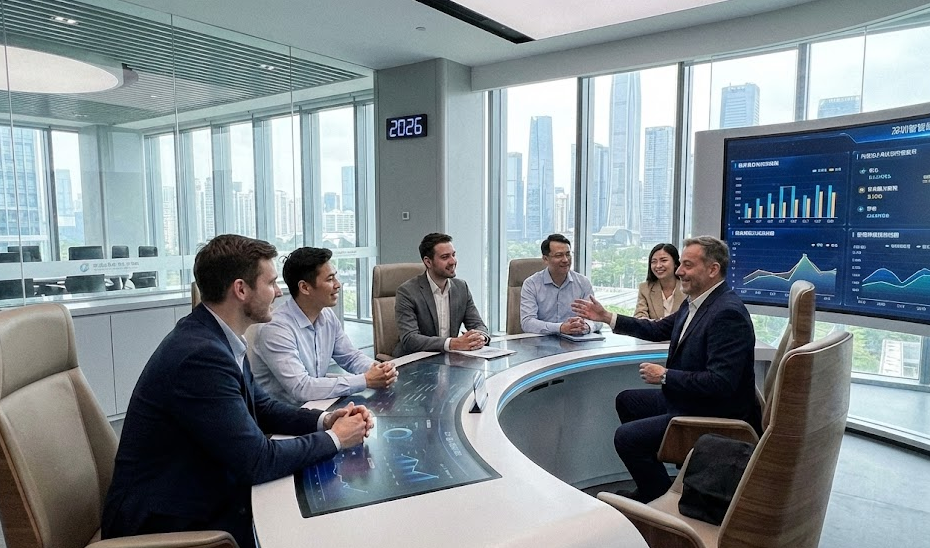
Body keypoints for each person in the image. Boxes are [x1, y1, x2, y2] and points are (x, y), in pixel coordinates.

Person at [101, 235, 373, 548]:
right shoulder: (200, 356)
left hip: (202, 494)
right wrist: (337, 438)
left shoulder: (217, 337)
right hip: (171, 522)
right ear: (241, 289)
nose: (279, 292)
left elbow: (264, 408)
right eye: (270, 283)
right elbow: (258, 461)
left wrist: (325, 420)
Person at [571, 236, 759, 503]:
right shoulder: (697, 302)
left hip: (712, 412)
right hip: (691, 400)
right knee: (628, 401)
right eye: (680, 264)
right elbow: (658, 328)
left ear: (713, 269)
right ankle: (652, 485)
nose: (679, 271)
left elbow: (721, 383)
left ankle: (658, 502)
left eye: (688, 265)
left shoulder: (726, 314)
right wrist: (607, 317)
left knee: (627, 439)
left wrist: (666, 375)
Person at [251, 247, 398, 403]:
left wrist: (377, 369)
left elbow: (350, 357)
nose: (338, 285)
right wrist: (366, 380)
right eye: (329, 279)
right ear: (305, 288)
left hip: (318, 406)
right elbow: (302, 388)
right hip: (284, 418)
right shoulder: (276, 329)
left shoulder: (326, 316)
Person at [394, 232, 490, 356]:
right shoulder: (407, 292)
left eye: (453, 255)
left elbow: (477, 324)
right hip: (416, 361)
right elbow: (410, 339)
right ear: (428, 262)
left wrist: (480, 337)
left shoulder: (461, 288)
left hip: (450, 359)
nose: (453, 261)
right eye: (445, 257)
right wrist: (452, 343)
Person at [520, 233, 601, 335]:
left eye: (568, 254)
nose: (565, 260)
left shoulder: (583, 283)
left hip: (576, 343)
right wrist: (561, 328)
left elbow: (597, 318)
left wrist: (586, 326)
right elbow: (527, 323)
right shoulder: (531, 284)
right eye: (559, 255)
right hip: (542, 345)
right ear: (545, 259)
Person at [635, 243, 686, 320]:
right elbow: (640, 317)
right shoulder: (645, 288)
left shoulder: (688, 287)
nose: (658, 265)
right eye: (654, 262)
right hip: (653, 332)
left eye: (663, 260)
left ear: (675, 263)